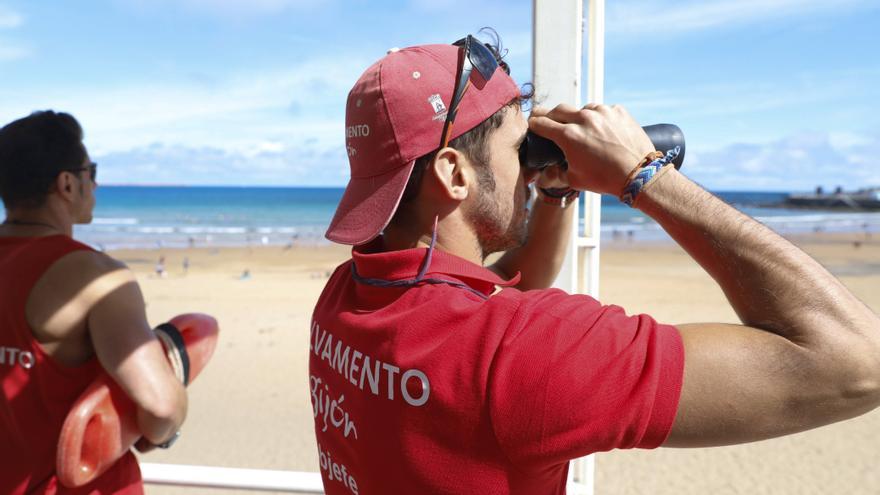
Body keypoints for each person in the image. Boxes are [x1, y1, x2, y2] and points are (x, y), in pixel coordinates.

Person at [309, 35, 880, 494]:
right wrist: (645, 175)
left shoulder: (346, 299)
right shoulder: (529, 351)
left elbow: (505, 292)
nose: (528, 173)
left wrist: (554, 193)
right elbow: (858, 362)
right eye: (519, 151)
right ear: (455, 174)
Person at [0, 111, 188, 493]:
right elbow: (161, 408)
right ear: (67, 183)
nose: (97, 184)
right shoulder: (95, 276)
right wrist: (167, 426)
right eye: (92, 171)